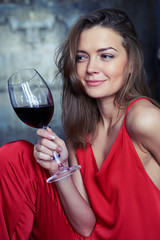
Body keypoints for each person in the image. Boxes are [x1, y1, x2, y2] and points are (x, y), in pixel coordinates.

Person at [0, 8, 160, 240]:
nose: (91, 68)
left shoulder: (145, 119)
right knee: (15, 157)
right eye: (82, 57)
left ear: (131, 64)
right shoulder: (80, 133)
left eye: (106, 56)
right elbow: (85, 227)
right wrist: (59, 169)